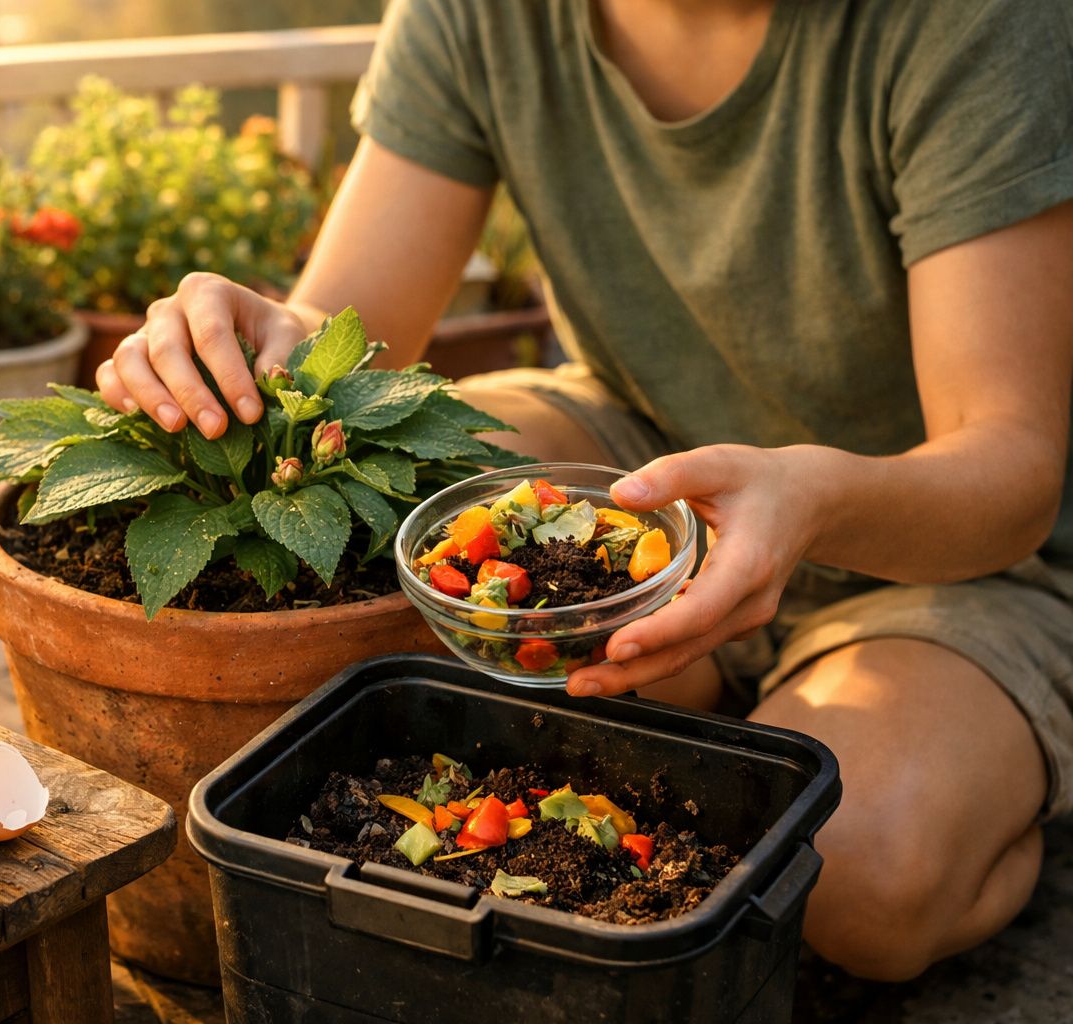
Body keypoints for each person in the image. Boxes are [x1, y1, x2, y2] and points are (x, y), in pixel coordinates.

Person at [96, 0, 1073, 981]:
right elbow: (347, 340)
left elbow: (1011, 468)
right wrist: (258, 336)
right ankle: (715, 691)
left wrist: (814, 501)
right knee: (426, 502)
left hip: (947, 555)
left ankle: (976, 766)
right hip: (650, 471)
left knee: (842, 862)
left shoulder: (972, 23)